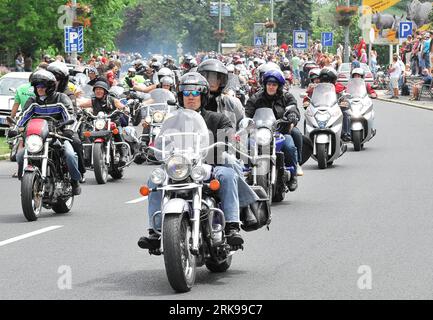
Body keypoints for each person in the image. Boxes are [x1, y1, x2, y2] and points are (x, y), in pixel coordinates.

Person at [137, 72, 259, 250]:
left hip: (208, 165)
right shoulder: (172, 120)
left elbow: (229, 136)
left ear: (203, 95)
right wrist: (149, 146)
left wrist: (227, 140)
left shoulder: (217, 118)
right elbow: (161, 139)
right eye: (186, 93)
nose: (191, 97)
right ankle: (155, 231)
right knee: (154, 178)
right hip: (180, 167)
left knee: (227, 174)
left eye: (195, 93)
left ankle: (232, 226)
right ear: (181, 96)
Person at [15, 70, 82, 195]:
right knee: (20, 156)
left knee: (70, 155)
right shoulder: (33, 101)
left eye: (42, 86)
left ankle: (74, 181)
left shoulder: (61, 98)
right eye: (37, 86)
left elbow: (70, 115)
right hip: (38, 138)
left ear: (50, 86)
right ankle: (26, 182)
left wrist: (68, 129)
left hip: (58, 135)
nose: (39, 89)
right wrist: (15, 128)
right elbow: (23, 116)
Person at [245, 70, 304, 184]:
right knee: (247, 143)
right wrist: (247, 121)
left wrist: (292, 115)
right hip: (260, 133)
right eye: (269, 84)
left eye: (274, 85)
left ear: (279, 86)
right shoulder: (256, 97)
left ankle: (293, 173)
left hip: (281, 132)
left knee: (289, 146)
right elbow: (248, 112)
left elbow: (293, 108)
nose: (271, 87)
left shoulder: (286, 96)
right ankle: (248, 170)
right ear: (265, 85)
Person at [78, 81, 128, 166]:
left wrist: (125, 109)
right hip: (98, 124)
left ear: (105, 91)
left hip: (112, 123)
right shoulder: (93, 101)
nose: (98, 91)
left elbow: (122, 107)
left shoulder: (112, 100)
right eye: (96, 89)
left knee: (117, 131)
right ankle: (87, 157)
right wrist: (77, 108)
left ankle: (123, 155)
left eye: (101, 89)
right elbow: (80, 105)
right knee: (87, 133)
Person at [197, 59, 244, 128]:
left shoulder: (232, 103)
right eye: (207, 77)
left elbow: (242, 128)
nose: (211, 81)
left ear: (221, 80)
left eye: (216, 77)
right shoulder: (193, 100)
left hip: (224, 137)